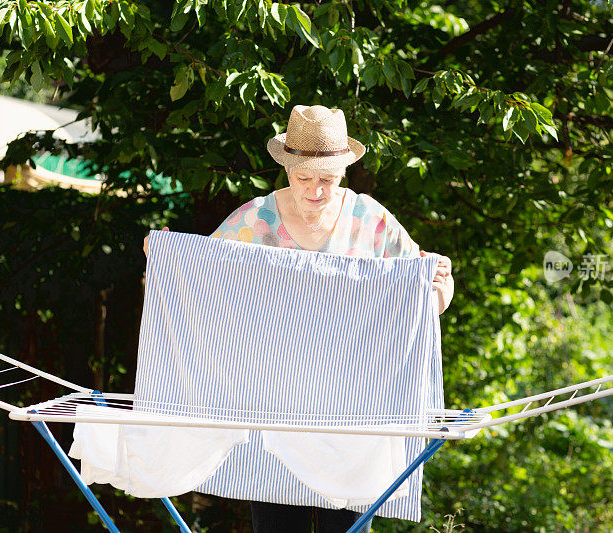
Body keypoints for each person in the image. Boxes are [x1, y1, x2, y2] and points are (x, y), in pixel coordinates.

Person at [144, 104, 454, 532]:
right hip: (272, 416)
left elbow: (427, 300)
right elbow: (203, 286)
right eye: (304, 178)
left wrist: (439, 285)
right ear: (286, 169)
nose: (314, 191)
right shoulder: (254, 221)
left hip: (351, 419)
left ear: (343, 172)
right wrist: (169, 257)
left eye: (326, 180)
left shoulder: (371, 221)